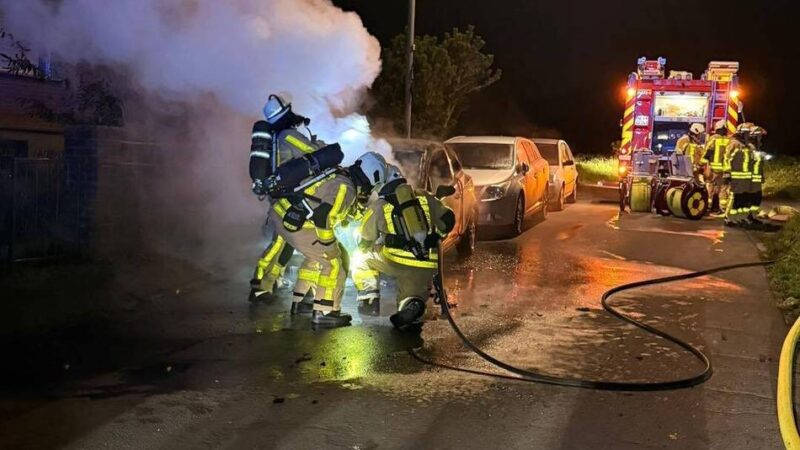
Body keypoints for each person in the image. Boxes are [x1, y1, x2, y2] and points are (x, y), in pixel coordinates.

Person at [248, 94, 389, 328]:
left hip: (284, 209)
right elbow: (325, 214)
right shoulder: (291, 138)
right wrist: (327, 242)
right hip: (294, 217)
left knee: (308, 256)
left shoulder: (277, 141)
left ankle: (299, 300)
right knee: (333, 262)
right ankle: (324, 313)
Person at [352, 165, 455, 331]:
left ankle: (369, 301)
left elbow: (364, 239)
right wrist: (438, 236)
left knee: (360, 257)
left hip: (396, 261)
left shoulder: (380, 205)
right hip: (428, 262)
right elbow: (448, 219)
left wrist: (377, 241)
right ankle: (413, 305)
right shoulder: (425, 197)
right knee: (412, 296)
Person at [723, 122, 755, 227]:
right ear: (741, 133)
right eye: (746, 133)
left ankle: (740, 218)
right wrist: (728, 173)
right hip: (735, 175)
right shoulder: (734, 143)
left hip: (744, 176)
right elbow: (727, 158)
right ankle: (729, 218)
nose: (748, 135)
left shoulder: (746, 145)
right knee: (733, 196)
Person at [701, 120, 732, 215]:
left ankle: (707, 208)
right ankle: (722, 209)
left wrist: (702, 163)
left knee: (709, 186)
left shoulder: (713, 138)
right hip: (725, 169)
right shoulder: (729, 140)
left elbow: (708, 151)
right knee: (723, 188)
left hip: (714, 168)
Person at [747, 125, 767, 222]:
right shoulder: (750, 147)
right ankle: (749, 217)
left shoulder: (755, 147)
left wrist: (761, 176)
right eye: (759, 136)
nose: (761, 139)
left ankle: (751, 216)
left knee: (756, 198)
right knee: (753, 198)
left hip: (755, 178)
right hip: (751, 179)